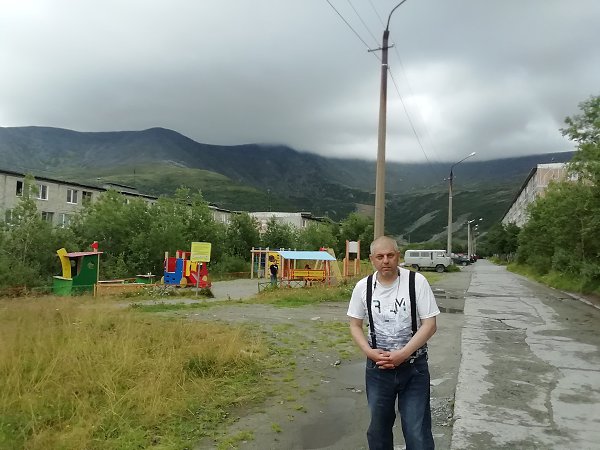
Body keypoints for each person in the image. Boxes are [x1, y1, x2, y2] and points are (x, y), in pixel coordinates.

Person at [347, 236, 440, 450]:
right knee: (378, 431)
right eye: (380, 256)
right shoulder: (363, 287)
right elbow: (355, 324)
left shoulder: (416, 282)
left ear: (398, 256)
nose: (386, 260)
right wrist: (369, 352)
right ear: (372, 259)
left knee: (417, 432)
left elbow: (430, 324)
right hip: (378, 370)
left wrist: (403, 354)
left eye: (390, 255)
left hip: (414, 368)